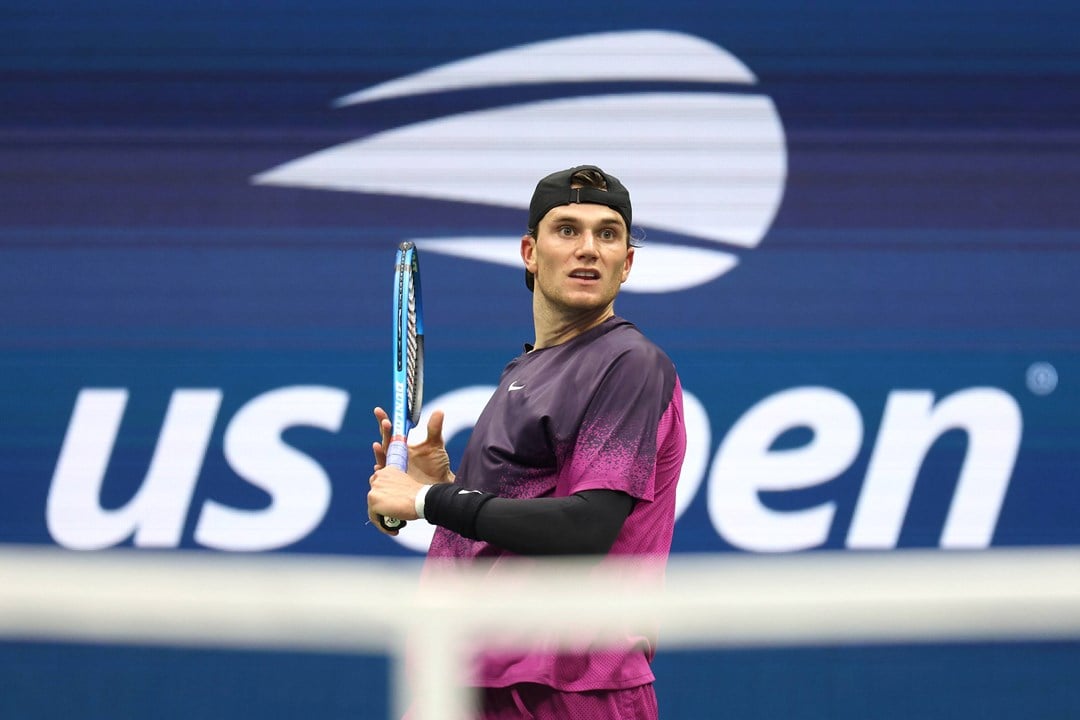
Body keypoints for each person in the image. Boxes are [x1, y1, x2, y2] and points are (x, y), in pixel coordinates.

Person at [368, 164, 687, 719]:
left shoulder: (630, 364)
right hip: (472, 672)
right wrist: (435, 488)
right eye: (567, 229)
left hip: (569, 687)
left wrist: (427, 501)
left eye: (607, 234)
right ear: (529, 252)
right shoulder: (529, 369)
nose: (588, 248)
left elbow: (587, 526)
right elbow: (508, 529)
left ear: (627, 263)